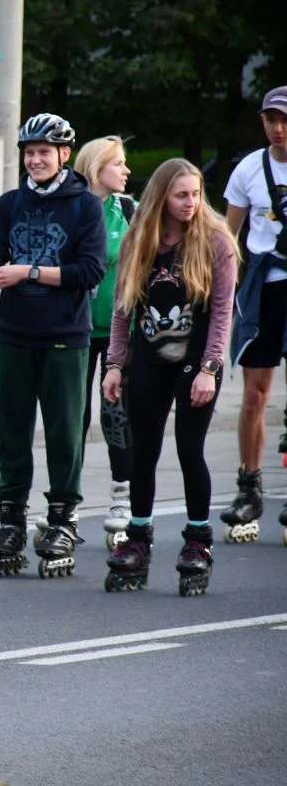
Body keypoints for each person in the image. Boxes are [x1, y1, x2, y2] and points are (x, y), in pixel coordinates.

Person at [0, 112, 106, 579]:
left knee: (64, 431)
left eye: (44, 152)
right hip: (15, 334)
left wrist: (30, 272)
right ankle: (11, 521)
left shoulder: (85, 206)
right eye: (29, 152)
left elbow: (91, 271)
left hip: (65, 337)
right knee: (12, 432)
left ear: (64, 154)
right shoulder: (10, 204)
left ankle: (63, 519)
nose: (35, 160)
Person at [102, 158, 238, 595]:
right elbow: (123, 308)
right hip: (149, 358)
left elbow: (222, 313)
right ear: (162, 197)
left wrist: (210, 369)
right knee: (142, 452)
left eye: (196, 194)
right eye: (181, 195)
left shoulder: (215, 240)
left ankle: (198, 541)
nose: (190, 202)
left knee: (189, 449)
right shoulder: (139, 239)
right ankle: (138, 539)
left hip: (196, 361)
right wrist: (115, 365)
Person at [219, 85, 287, 544]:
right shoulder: (249, 168)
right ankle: (249, 486)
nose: (278, 129)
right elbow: (229, 237)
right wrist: (219, 293)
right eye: (270, 120)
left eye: (284, 121)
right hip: (263, 287)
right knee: (254, 394)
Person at [72, 135, 136, 550]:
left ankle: (121, 496)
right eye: (118, 164)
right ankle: (67, 499)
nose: (126, 170)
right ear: (96, 169)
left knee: (116, 414)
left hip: (118, 332)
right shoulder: (73, 209)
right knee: (73, 415)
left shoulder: (128, 210)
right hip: (75, 330)